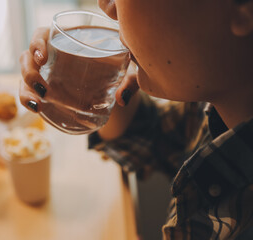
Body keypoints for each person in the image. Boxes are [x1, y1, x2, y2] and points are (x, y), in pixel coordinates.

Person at [19, 0, 253, 239]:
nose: (106, 6)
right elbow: (156, 138)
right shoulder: (215, 109)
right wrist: (95, 83)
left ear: (244, 9)